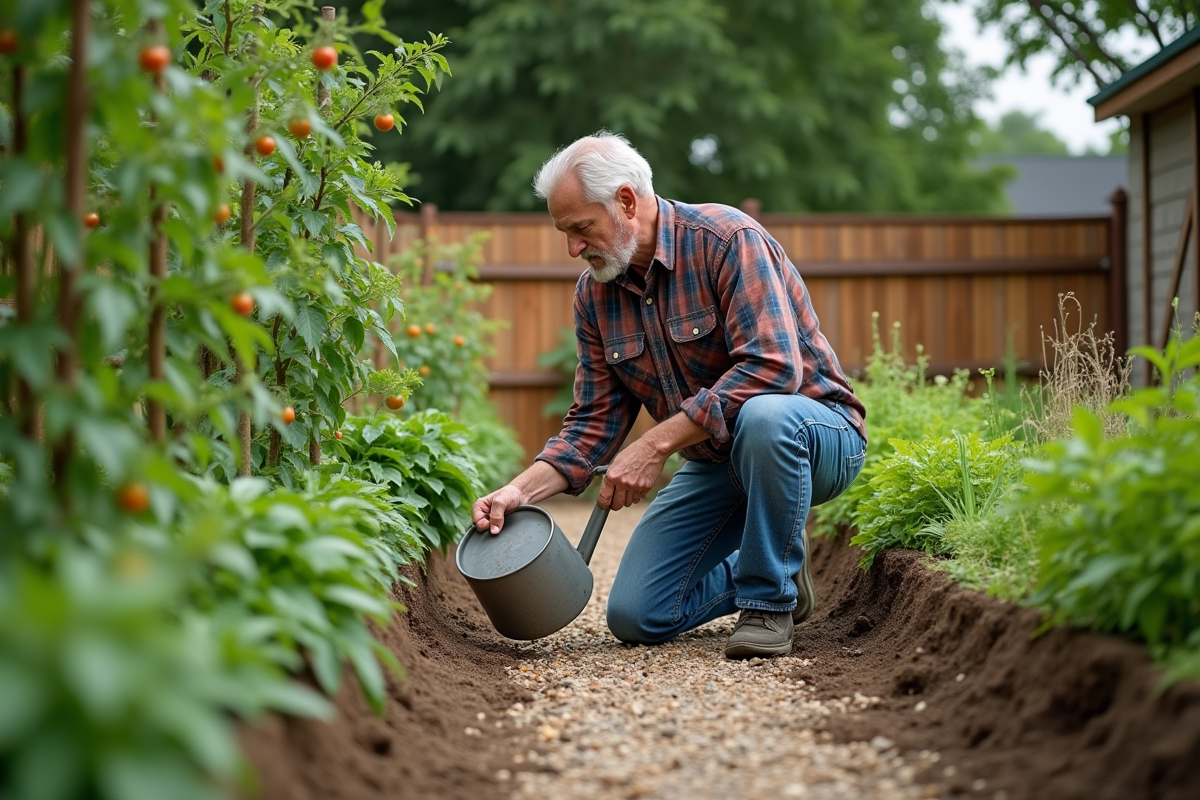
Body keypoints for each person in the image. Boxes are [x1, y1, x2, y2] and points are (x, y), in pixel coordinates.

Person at [470, 132, 867, 659]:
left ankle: (770, 601)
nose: (572, 248)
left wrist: (655, 445)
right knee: (638, 613)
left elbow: (773, 368)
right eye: (564, 233)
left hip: (816, 436)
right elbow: (593, 423)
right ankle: (767, 571)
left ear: (627, 202)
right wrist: (519, 492)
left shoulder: (728, 241)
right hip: (718, 462)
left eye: (581, 228)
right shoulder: (595, 295)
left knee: (766, 418)